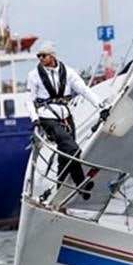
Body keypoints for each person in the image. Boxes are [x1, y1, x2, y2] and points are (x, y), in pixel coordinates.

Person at [27, 41, 107, 195]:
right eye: (39, 56)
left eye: (43, 56)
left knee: (65, 156)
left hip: (66, 116)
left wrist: (101, 107)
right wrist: (35, 119)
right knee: (73, 149)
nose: (40, 59)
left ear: (52, 56)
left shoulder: (68, 72)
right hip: (47, 117)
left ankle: (62, 190)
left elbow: (83, 90)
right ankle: (81, 184)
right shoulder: (34, 75)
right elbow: (29, 100)